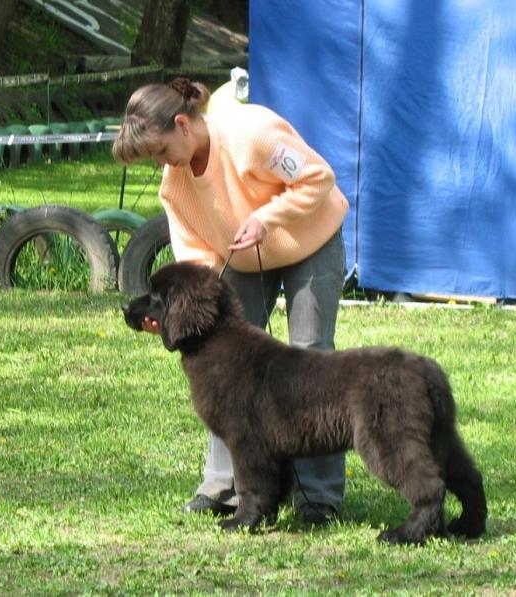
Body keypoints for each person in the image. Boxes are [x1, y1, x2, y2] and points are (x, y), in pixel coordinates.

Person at [113, 77, 349, 524]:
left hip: (309, 238)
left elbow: (319, 177)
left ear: (182, 124)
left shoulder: (251, 134)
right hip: (243, 258)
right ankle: (223, 487)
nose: (163, 164)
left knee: (310, 355)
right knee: (226, 364)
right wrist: (173, 317)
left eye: (161, 151)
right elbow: (196, 261)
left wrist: (265, 217)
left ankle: (318, 496)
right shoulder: (175, 185)